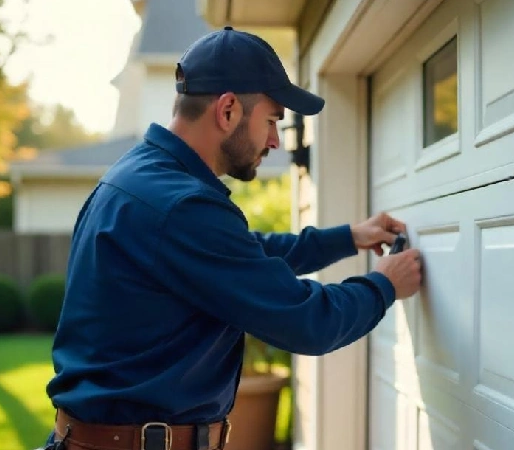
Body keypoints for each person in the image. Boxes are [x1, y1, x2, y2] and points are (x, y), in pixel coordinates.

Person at [41, 26, 423, 450]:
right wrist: (385, 284)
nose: (276, 140)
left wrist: (347, 237)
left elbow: (242, 255)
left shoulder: (141, 179)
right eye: (273, 120)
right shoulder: (181, 205)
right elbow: (308, 322)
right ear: (227, 111)